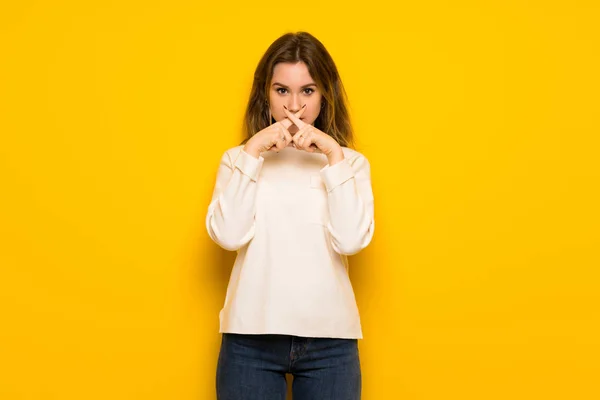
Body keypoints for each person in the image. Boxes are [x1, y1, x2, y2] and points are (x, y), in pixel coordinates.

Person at [205, 31, 375, 400]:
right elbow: (228, 235)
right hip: (249, 338)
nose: (294, 106)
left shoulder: (351, 164)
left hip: (331, 341)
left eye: (307, 91)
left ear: (324, 95)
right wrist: (252, 151)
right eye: (282, 91)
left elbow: (351, 240)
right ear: (264, 95)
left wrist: (333, 156)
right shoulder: (237, 160)